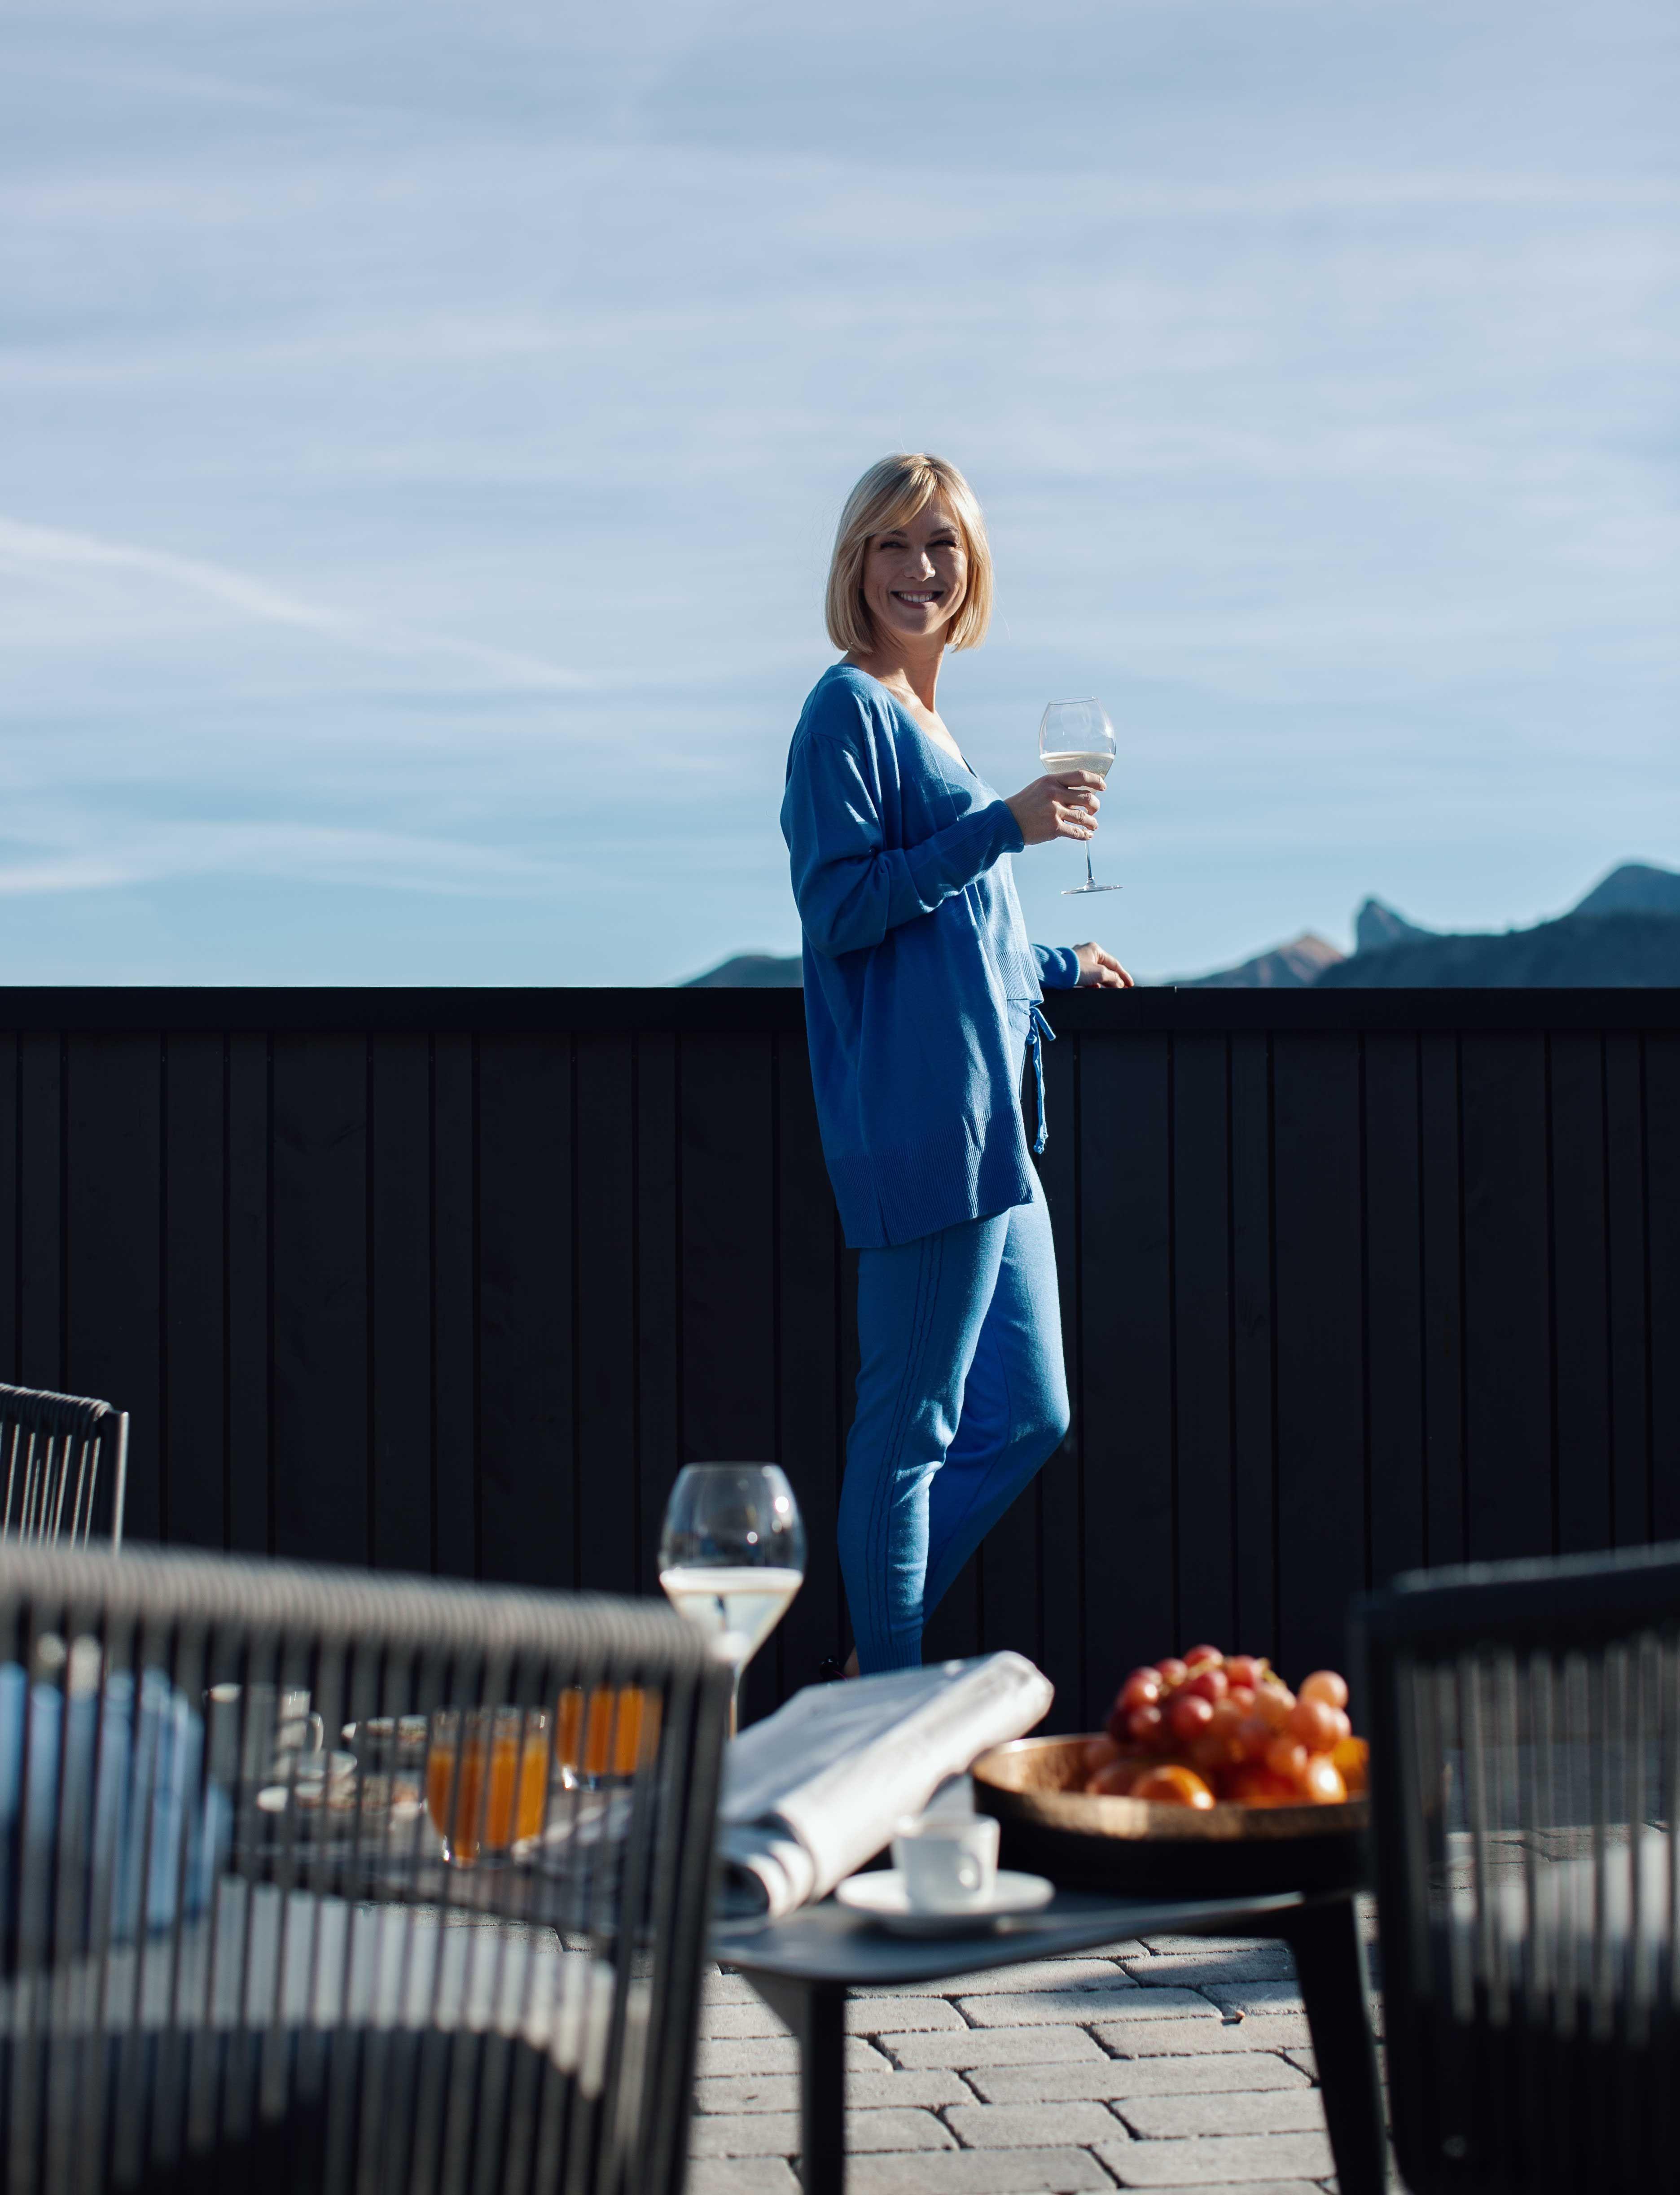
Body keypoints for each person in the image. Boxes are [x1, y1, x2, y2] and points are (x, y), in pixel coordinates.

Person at [780, 452, 1133, 1675]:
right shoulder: (847, 710)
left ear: (970, 564)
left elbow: (960, 935)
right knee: (910, 1432)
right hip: (926, 1126)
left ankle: (876, 1657)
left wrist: (1056, 963)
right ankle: (881, 1705)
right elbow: (840, 910)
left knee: (1032, 1417)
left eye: (940, 545)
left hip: (998, 1130)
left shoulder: (929, 721)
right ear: (855, 566)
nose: (919, 568)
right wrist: (1006, 827)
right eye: (892, 545)